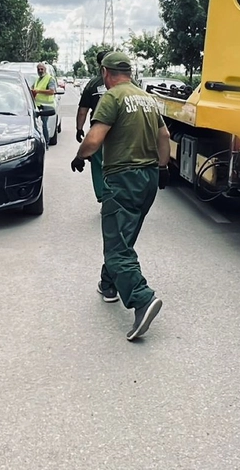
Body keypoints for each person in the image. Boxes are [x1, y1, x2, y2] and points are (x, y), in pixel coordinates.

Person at [71, 51, 169, 341]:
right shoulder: (147, 98)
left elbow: (94, 139)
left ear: (105, 72)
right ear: (129, 72)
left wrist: (80, 156)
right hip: (149, 177)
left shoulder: (112, 97)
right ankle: (108, 283)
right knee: (123, 236)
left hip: (123, 178)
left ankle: (142, 298)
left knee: (117, 247)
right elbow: (164, 137)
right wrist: (163, 167)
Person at [75, 50, 109, 202]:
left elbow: (83, 111)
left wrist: (79, 129)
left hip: (99, 131)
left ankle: (102, 194)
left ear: (99, 65)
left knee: (98, 162)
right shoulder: (129, 84)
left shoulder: (92, 84)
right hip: (123, 131)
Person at [31, 62, 57, 146]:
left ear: (45, 70)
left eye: (42, 69)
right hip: (37, 106)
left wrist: (38, 91)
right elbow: (32, 89)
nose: (40, 71)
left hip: (47, 107)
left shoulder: (50, 79)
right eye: (38, 69)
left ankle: (46, 142)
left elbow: (51, 91)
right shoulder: (37, 79)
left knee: (43, 124)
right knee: (36, 124)